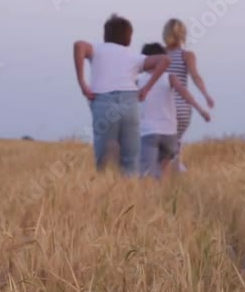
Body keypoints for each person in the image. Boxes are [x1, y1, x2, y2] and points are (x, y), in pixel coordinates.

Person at [73, 14, 170, 176]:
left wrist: (82, 83)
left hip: (103, 102)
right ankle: (129, 197)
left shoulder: (97, 50)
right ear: (129, 38)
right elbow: (165, 60)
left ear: (105, 35)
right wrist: (146, 88)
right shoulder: (134, 57)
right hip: (130, 104)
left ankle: (106, 196)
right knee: (130, 161)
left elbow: (78, 45)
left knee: (104, 162)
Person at [137, 43, 211, 179]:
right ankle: (163, 196)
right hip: (169, 134)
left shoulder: (138, 81)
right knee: (163, 173)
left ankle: (150, 197)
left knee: (146, 175)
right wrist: (200, 110)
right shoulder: (170, 77)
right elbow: (184, 93)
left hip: (148, 133)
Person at [162, 19, 215, 171]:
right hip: (184, 108)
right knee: (175, 144)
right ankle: (177, 173)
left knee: (163, 147)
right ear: (183, 35)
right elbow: (195, 76)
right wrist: (206, 95)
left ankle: (169, 175)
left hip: (164, 106)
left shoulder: (159, 54)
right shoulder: (187, 55)